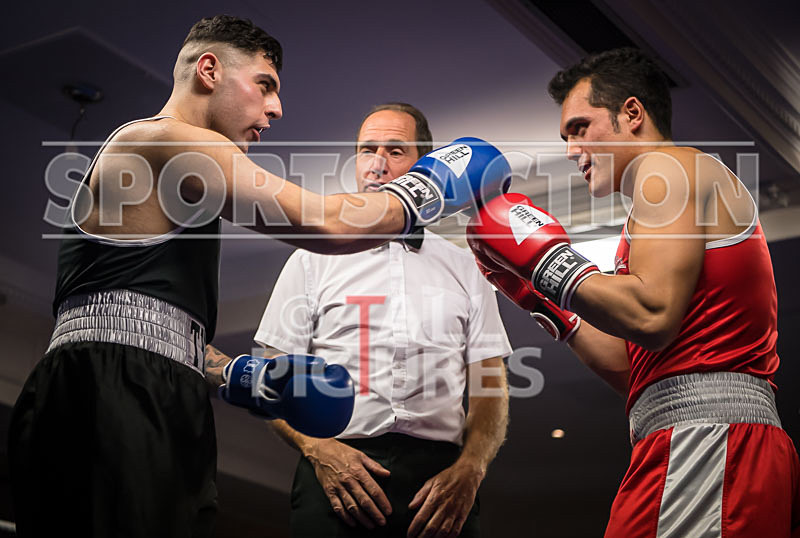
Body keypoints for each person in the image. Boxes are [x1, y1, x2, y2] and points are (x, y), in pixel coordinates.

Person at [7, 15, 507, 538]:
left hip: (148, 385)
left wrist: (240, 374)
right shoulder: (165, 141)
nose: (276, 108)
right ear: (209, 70)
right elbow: (326, 225)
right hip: (109, 395)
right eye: (265, 85)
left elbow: (134, 317)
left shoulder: (174, 179)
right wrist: (427, 188)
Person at [467, 48, 800, 536]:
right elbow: (632, 365)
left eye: (580, 127)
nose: (569, 149)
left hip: (710, 441)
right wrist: (543, 299)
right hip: (692, 440)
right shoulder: (654, 212)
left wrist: (545, 260)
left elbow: (652, 314)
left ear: (632, 114)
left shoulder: (669, 169)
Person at [248, 102, 512, 537]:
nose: (376, 164)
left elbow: (489, 383)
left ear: (425, 166)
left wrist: (472, 468)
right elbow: (272, 378)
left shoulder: (467, 267)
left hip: (439, 482)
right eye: (367, 149)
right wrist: (320, 451)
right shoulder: (310, 259)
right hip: (334, 468)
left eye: (394, 150)